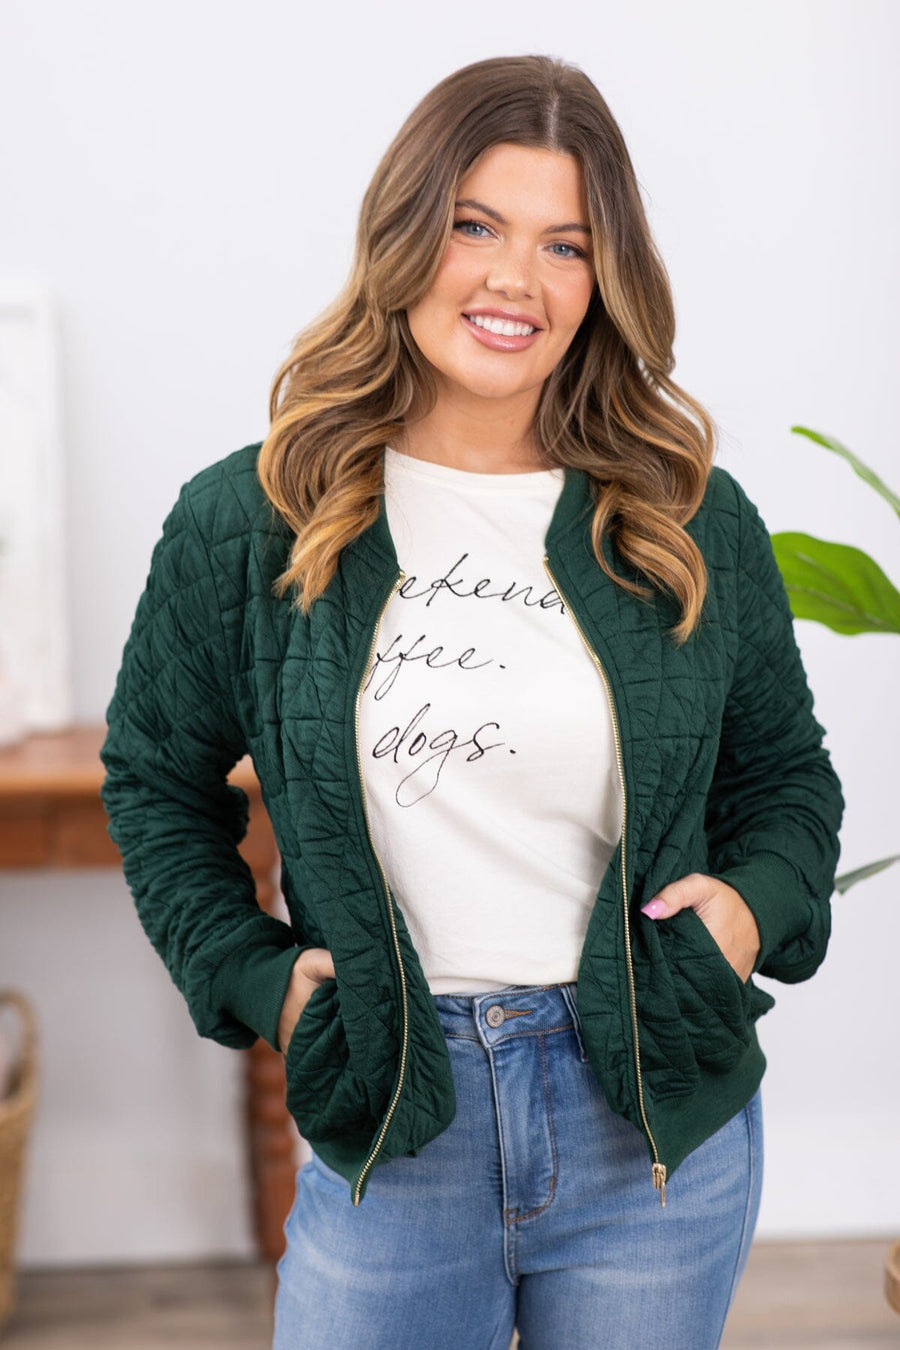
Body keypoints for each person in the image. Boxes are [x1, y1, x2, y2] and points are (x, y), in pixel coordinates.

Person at [100, 54, 844, 1350]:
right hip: (396, 1111)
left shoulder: (685, 516)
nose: (516, 279)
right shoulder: (252, 518)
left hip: (648, 1130)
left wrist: (742, 916)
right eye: (475, 226)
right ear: (404, 237)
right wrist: (259, 979)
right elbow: (157, 782)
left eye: (567, 244)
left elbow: (786, 778)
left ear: (605, 277)